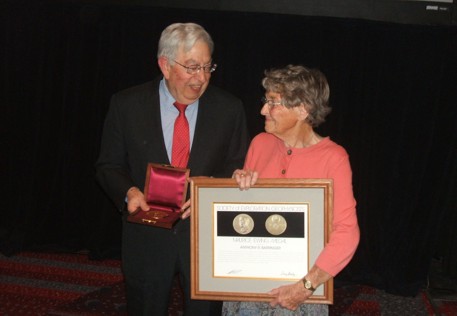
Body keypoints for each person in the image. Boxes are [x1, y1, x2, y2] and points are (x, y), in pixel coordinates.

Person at [95, 22, 250, 315]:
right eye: (192, 67)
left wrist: (212, 192)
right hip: (148, 236)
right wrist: (129, 193)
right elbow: (108, 165)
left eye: (207, 67)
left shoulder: (230, 108)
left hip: (205, 238)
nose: (201, 77)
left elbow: (238, 165)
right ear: (165, 65)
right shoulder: (127, 105)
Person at [223, 65, 360, 315]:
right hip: (249, 284)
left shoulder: (334, 158)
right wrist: (236, 190)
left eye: (273, 103)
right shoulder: (260, 143)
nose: (263, 110)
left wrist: (305, 287)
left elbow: (347, 232)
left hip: (299, 291)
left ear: (302, 109)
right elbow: (244, 219)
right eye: (266, 101)